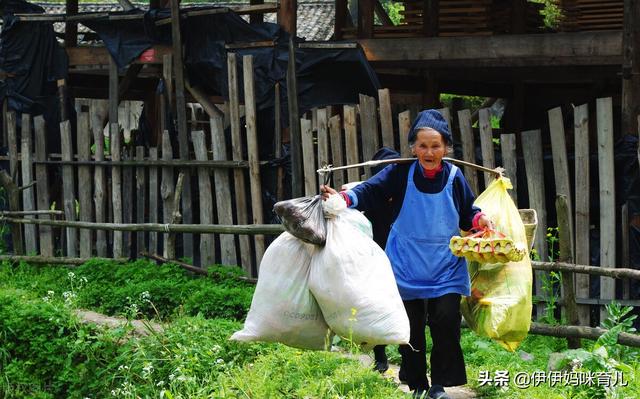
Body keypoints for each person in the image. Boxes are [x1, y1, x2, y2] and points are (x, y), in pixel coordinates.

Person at [321, 109, 493, 399]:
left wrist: (480, 220)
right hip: (406, 265)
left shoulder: (454, 176)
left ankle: (438, 385)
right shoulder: (400, 172)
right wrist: (343, 199)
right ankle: (418, 386)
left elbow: (468, 214)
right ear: (413, 147)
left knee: (446, 323)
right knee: (410, 329)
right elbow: (369, 190)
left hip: (446, 266)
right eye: (422, 145)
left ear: (446, 148)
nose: (429, 151)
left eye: (435, 145)